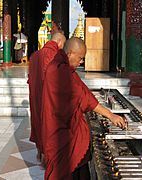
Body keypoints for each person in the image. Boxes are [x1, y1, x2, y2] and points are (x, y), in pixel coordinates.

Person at [41, 37, 127, 180]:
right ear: (69, 54)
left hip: (62, 129)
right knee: (66, 170)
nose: (81, 62)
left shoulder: (63, 68)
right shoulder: (59, 71)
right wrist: (111, 116)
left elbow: (83, 92)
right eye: (80, 58)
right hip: (61, 133)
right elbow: (83, 99)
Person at [28, 32, 66, 165]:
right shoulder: (55, 55)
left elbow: (30, 78)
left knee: (38, 121)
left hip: (35, 96)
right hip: (48, 97)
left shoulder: (34, 56)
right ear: (59, 42)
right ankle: (48, 159)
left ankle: (39, 151)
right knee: (49, 124)